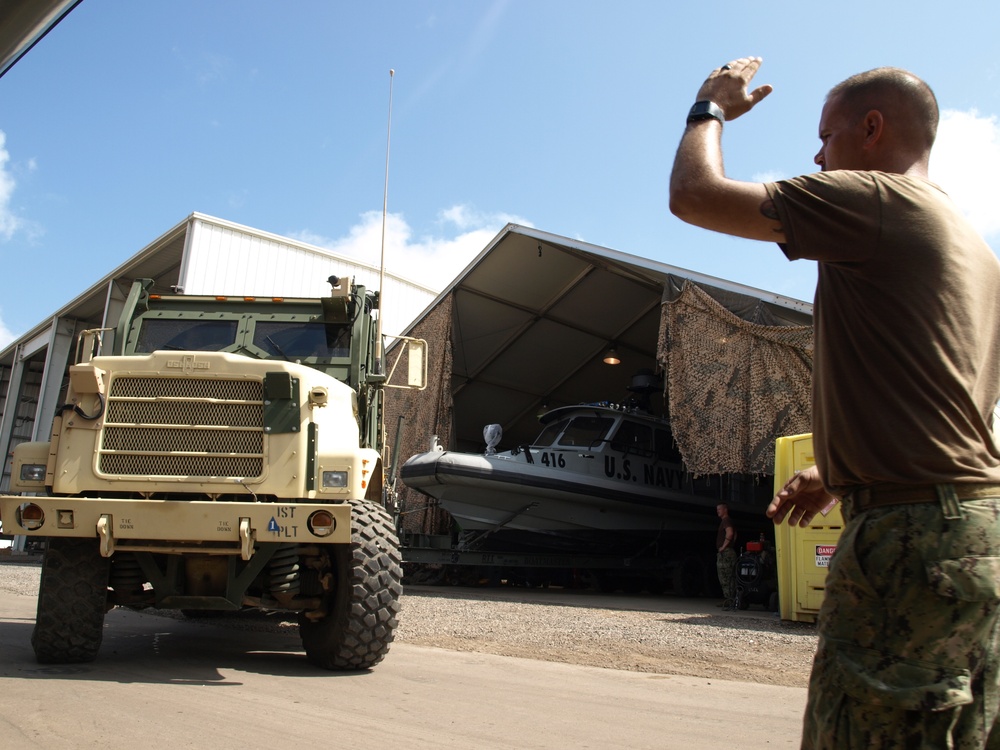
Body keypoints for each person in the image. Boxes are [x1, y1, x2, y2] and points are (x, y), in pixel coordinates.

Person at [670, 57, 1000, 749]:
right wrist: (840, 467)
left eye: (826, 136)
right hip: (972, 528)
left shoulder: (873, 197)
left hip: (909, 538)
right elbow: (951, 400)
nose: (816, 156)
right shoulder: (970, 243)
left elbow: (694, 196)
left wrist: (709, 108)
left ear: (873, 128)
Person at [715, 503, 738, 610]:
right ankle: (729, 599)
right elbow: (734, 535)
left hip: (726, 553)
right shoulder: (727, 521)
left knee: (726, 576)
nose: (718, 511)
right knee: (728, 576)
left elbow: (730, 533)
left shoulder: (726, 521)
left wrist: (724, 547)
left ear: (725, 509)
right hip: (728, 551)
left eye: (719, 509)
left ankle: (730, 599)